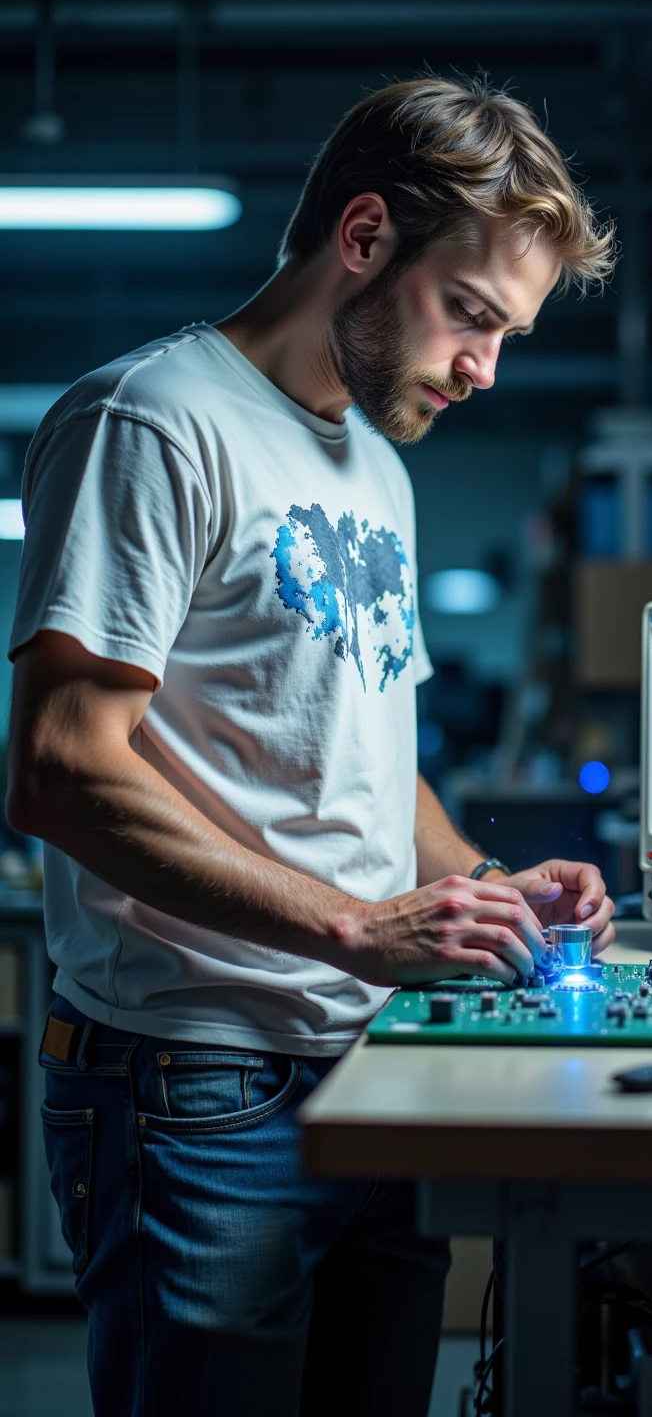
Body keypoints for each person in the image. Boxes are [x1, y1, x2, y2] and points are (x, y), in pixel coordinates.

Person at [5, 75, 617, 1417]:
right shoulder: (154, 422)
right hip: (198, 1080)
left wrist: (480, 883)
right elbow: (59, 763)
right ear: (361, 239)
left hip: (368, 1058)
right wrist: (352, 926)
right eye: (470, 315)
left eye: (508, 335)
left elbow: (366, 754)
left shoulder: (378, 467)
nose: (484, 369)